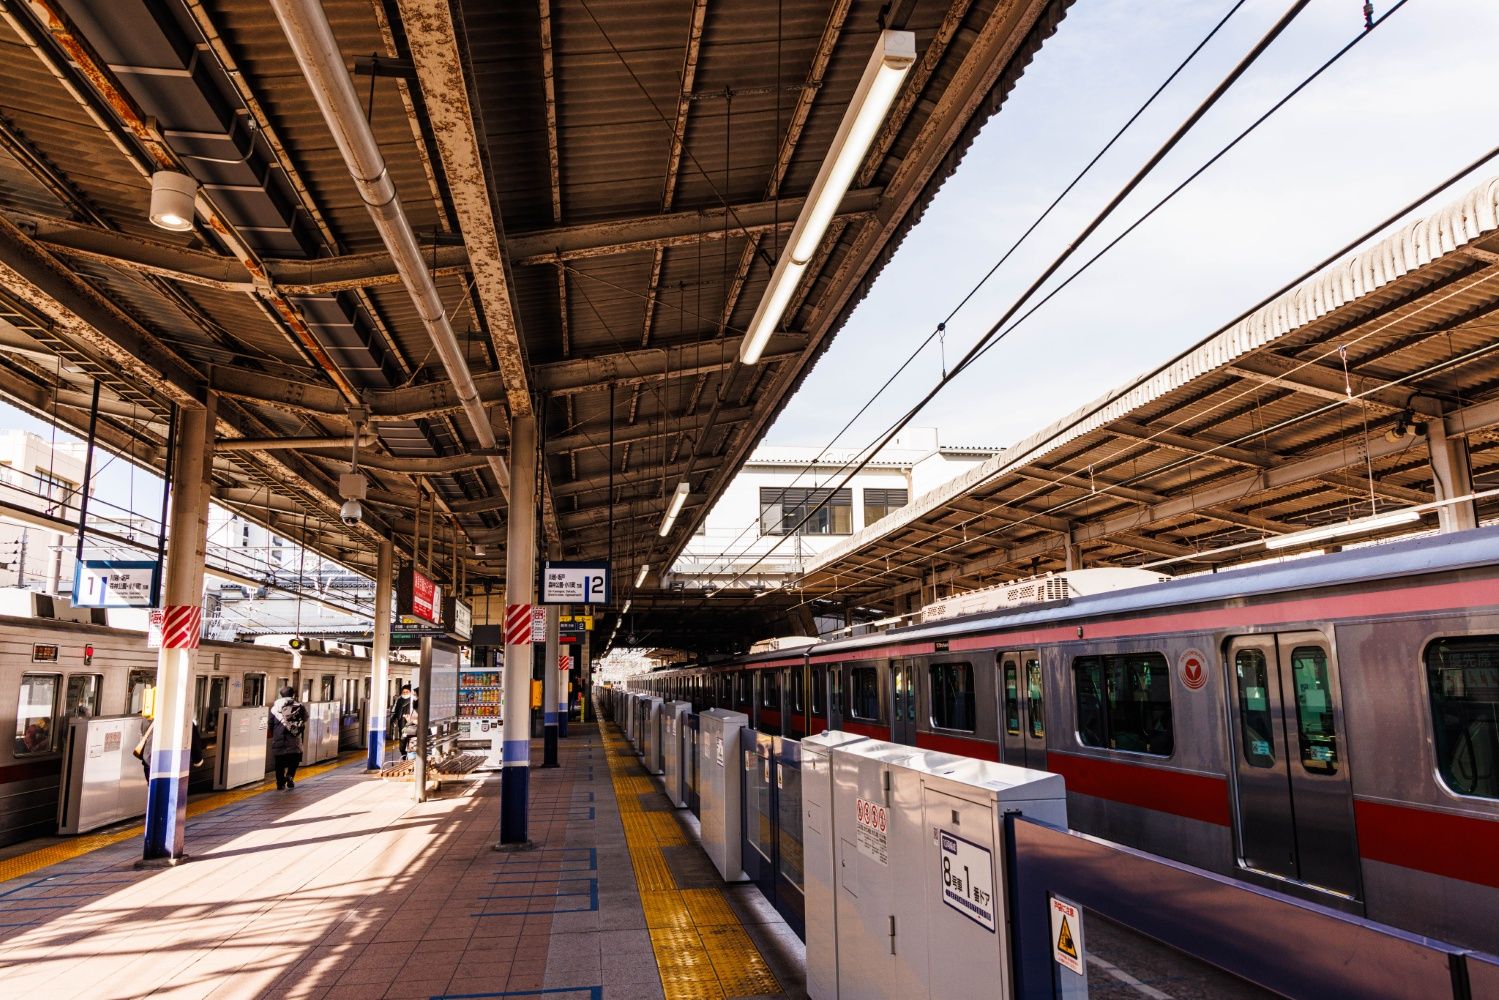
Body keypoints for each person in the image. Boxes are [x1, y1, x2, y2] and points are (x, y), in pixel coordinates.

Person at [135, 719, 205, 781]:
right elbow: (194, 740)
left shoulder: (148, 717)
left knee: (153, 791)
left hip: (149, 764)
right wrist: (197, 759)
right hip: (171, 767)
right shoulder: (182, 717)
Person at [269, 686, 308, 790]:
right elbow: (305, 718)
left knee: (279, 762)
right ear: (293, 695)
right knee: (294, 760)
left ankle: (280, 783)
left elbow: (270, 724)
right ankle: (290, 777)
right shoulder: (299, 706)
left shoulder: (274, 709)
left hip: (279, 738)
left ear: (281, 695)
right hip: (294, 738)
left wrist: (276, 733)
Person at [389, 683, 417, 760]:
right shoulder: (399, 700)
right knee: (402, 742)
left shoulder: (414, 700)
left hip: (412, 725)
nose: (405, 694)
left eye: (406, 692)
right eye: (403, 692)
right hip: (402, 724)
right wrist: (393, 719)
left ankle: (411, 758)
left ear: (410, 692)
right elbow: (394, 711)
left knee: (411, 741)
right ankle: (404, 756)